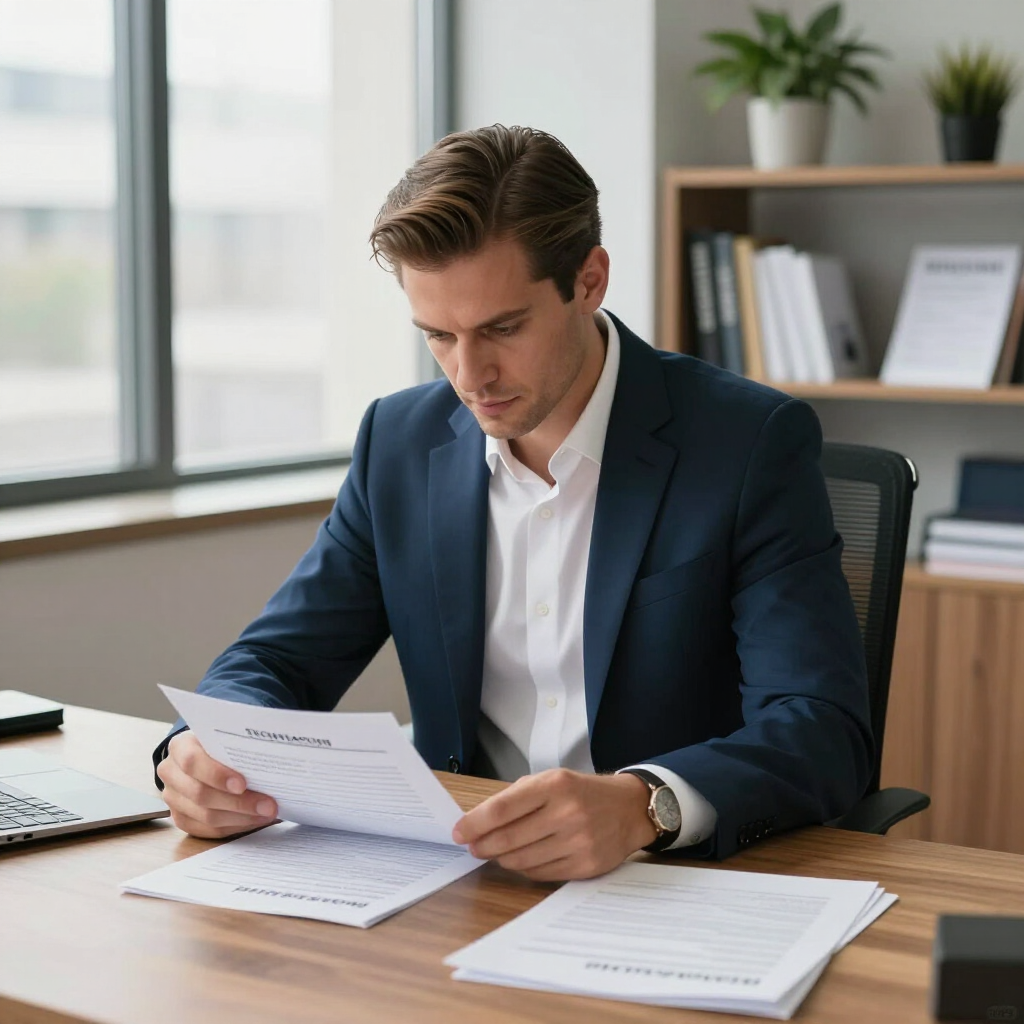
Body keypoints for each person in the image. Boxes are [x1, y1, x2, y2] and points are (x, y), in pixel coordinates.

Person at [153, 124, 872, 881]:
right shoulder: (398, 441)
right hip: (454, 874)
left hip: (667, 879)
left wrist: (642, 805)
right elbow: (274, 659)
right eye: (438, 334)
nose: (471, 375)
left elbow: (820, 728)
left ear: (589, 281)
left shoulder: (748, 442)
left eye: (503, 328)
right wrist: (201, 755)